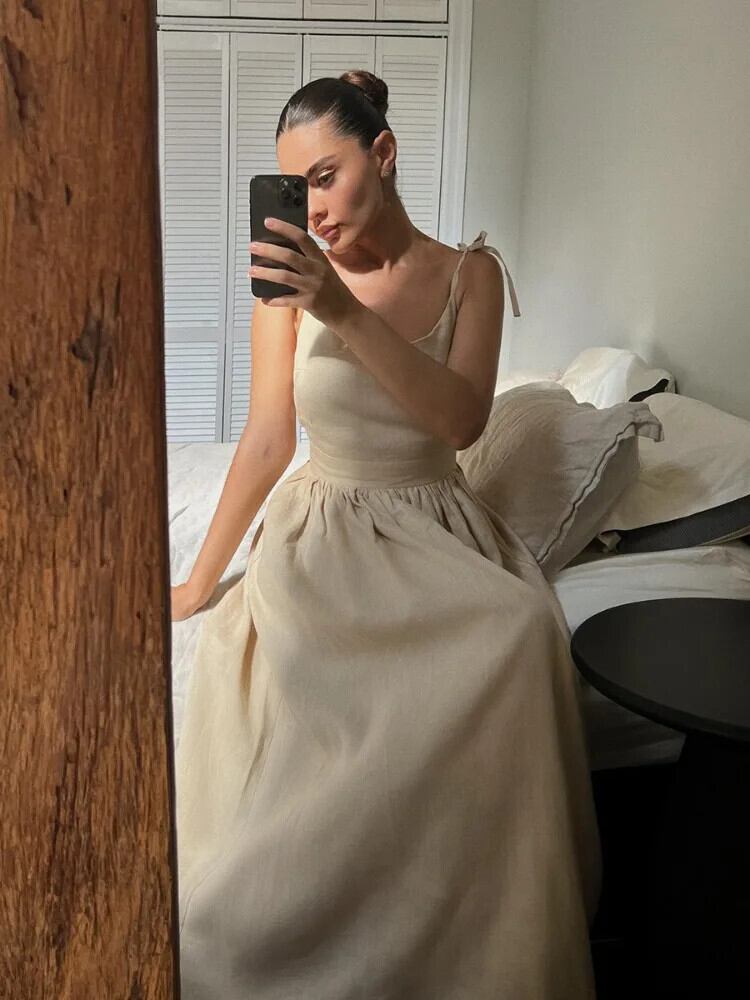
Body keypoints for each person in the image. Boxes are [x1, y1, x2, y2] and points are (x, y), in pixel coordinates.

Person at [172, 70, 602, 999]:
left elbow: (462, 423)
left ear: (385, 153)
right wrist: (198, 582)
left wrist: (340, 308)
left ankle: (473, 944)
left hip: (433, 518)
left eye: (326, 177)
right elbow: (268, 438)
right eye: (297, 187)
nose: (315, 209)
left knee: (520, 632)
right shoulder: (286, 284)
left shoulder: (469, 275)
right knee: (295, 660)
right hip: (323, 522)